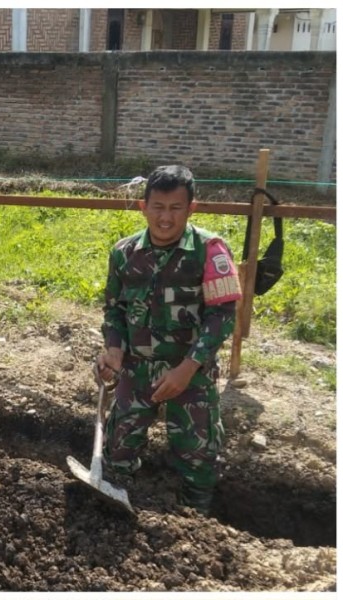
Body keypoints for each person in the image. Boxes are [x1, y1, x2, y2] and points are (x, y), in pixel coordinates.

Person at [96, 164, 242, 515]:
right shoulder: (124, 253)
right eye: (158, 208)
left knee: (197, 456)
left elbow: (222, 316)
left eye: (176, 208)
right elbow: (114, 309)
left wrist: (188, 368)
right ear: (144, 207)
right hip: (137, 369)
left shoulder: (211, 251)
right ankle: (115, 506)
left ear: (192, 208)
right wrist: (113, 350)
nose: (165, 218)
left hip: (189, 371)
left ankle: (195, 525)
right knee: (118, 449)